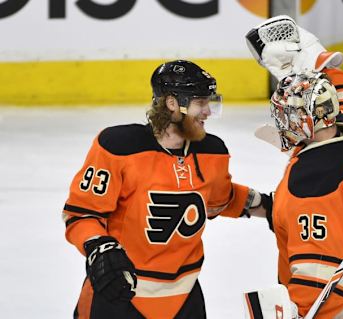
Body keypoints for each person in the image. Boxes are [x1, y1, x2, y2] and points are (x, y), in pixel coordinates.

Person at [62, 60, 269, 319]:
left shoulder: (212, 152)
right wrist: (99, 245)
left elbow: (221, 200)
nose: (207, 112)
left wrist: (272, 206)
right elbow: (82, 214)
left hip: (185, 295)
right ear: (172, 104)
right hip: (122, 289)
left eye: (209, 102)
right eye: (200, 103)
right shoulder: (118, 147)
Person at [245, 16, 343, 318]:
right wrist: (313, 63)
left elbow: (322, 286)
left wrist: (292, 312)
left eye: (285, 115)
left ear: (302, 120)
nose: (281, 124)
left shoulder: (313, 184)